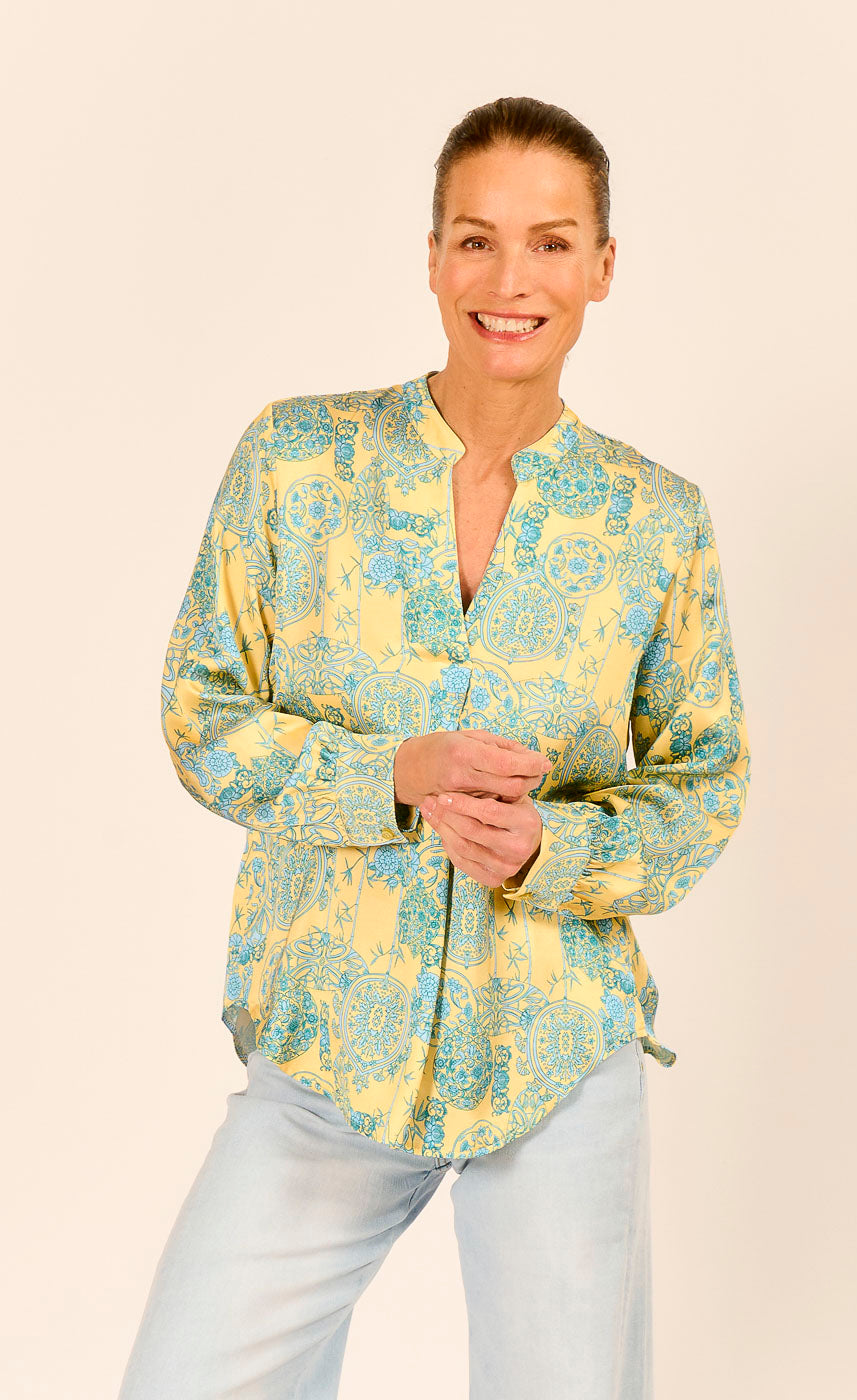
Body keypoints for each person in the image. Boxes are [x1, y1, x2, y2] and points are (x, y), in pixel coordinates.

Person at [119, 95, 751, 1399]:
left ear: (602, 267)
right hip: (328, 1039)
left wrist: (551, 848)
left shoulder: (656, 522)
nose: (511, 281)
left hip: (555, 1049)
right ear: (431, 256)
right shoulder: (297, 462)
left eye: (551, 243)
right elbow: (201, 709)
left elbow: (703, 785)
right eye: (477, 239)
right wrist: (389, 777)